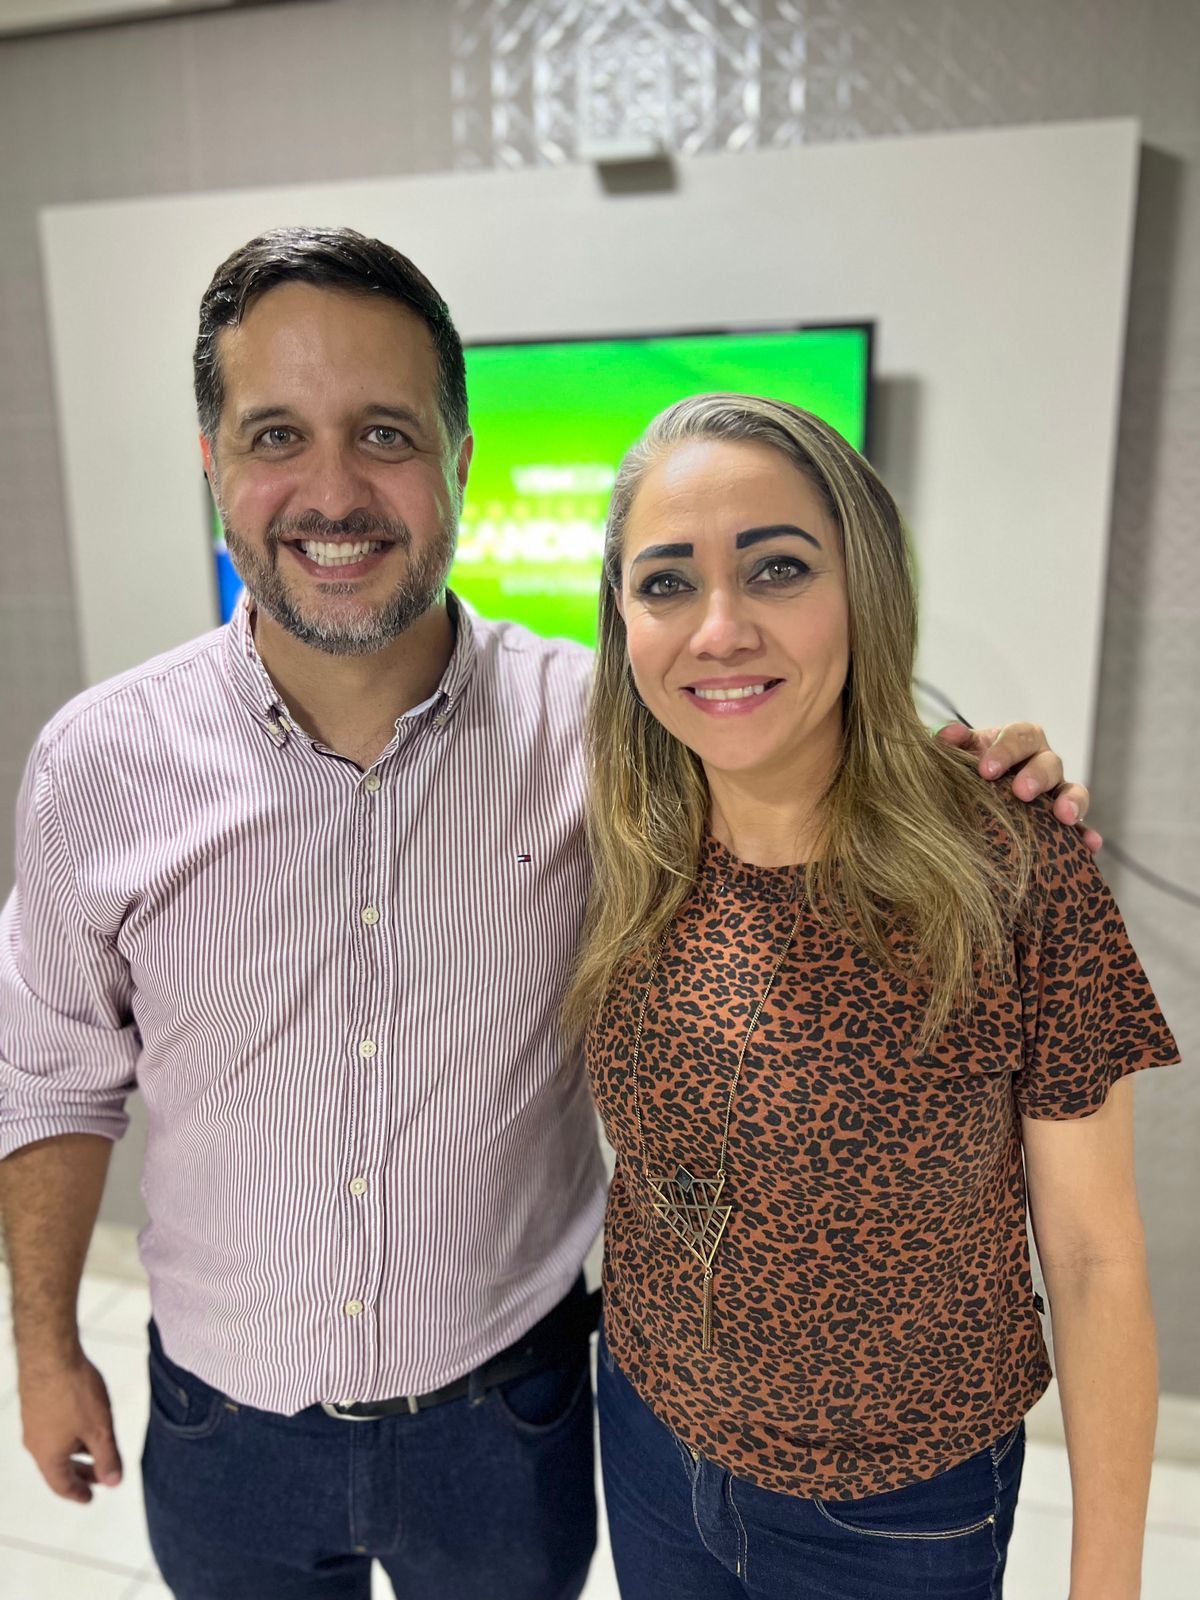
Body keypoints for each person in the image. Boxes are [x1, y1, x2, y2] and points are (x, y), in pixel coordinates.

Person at [0, 228, 1092, 1600]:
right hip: (223, 1426)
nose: (333, 490)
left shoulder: (611, 735)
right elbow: (50, 1074)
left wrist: (982, 787)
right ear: (214, 462)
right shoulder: (97, 764)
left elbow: (809, 770)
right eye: (277, 435)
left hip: (508, 1428)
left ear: (461, 461)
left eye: (386, 433)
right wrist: (45, 1348)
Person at [571, 393, 1180, 1600]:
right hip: (648, 1435)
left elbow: (1095, 1256)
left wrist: (1107, 1582)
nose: (720, 628)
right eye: (667, 583)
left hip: (899, 1505)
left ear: (866, 588)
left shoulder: (1005, 870)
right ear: (622, 620)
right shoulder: (623, 840)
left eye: (778, 568)